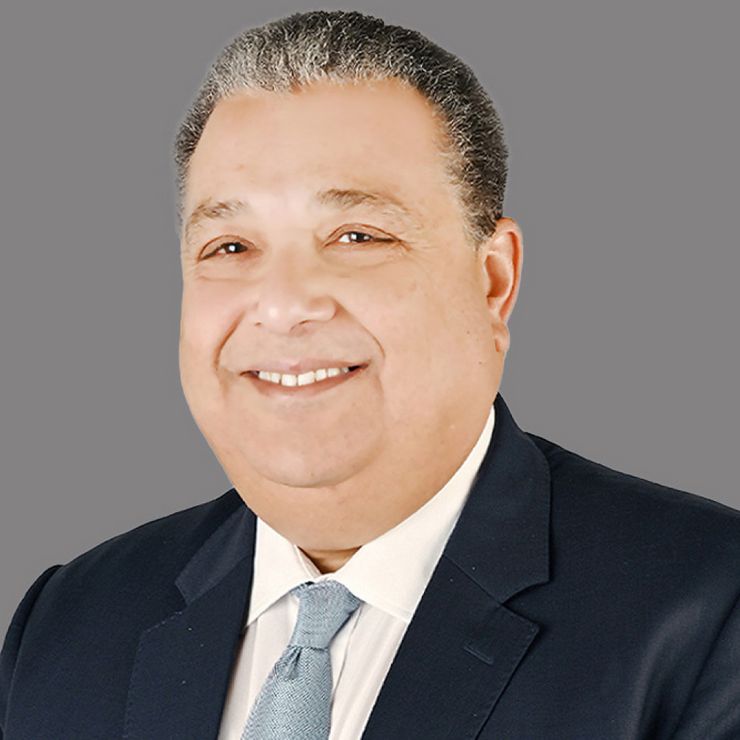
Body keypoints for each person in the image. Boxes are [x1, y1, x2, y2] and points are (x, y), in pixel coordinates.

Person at [1, 8, 738, 739]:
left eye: (357, 235)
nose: (283, 305)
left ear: (493, 282)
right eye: (230, 247)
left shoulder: (710, 609)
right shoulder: (69, 624)